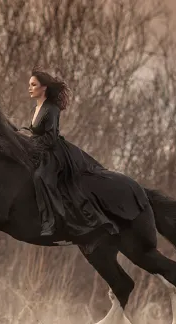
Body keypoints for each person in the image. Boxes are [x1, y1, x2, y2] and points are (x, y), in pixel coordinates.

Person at [22, 68, 121, 237]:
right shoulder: (36, 108)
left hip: (54, 153)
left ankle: (52, 222)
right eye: (29, 85)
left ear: (44, 88)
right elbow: (36, 132)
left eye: (33, 85)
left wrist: (30, 142)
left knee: (41, 177)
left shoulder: (51, 109)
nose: (30, 88)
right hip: (40, 150)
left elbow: (51, 137)